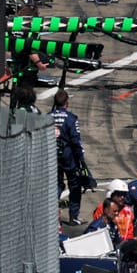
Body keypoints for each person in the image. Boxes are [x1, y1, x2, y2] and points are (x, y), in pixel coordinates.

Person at [52, 89, 86, 225]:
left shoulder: (47, 117)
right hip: (68, 157)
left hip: (51, 156)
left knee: (56, 185)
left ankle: (52, 214)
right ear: (67, 103)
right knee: (75, 185)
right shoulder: (71, 118)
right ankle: (74, 217)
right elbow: (76, 140)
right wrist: (81, 158)